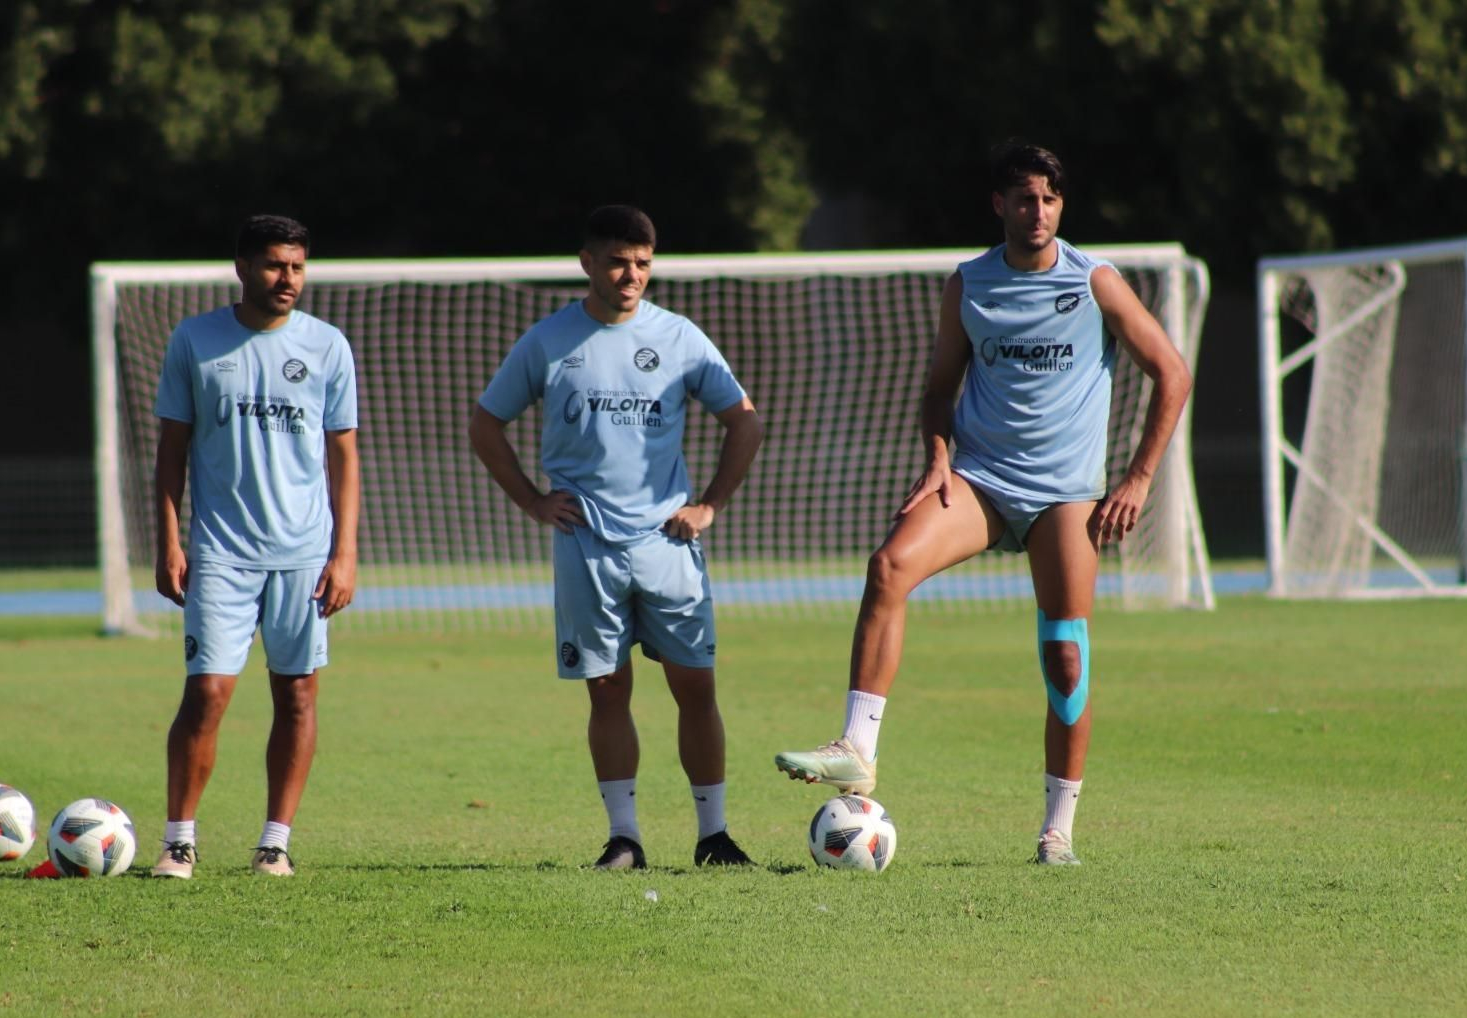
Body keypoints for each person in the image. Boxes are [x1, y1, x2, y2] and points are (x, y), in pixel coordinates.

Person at [775, 143, 1193, 865]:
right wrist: (938, 456)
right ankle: (857, 748)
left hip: (1066, 493)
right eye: (1025, 199)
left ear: (1062, 207)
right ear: (998, 204)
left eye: (1050, 200)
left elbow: (1171, 372)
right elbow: (940, 387)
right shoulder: (968, 283)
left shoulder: (1093, 280)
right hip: (981, 479)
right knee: (888, 567)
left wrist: (1138, 479)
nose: (1038, 213)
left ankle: (1057, 829)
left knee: (1066, 658)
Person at [469, 205, 765, 869]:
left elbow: (744, 422)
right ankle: (624, 838)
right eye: (616, 261)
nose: (630, 274)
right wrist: (532, 501)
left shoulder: (680, 336)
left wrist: (710, 504)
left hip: (668, 543)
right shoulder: (549, 340)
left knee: (696, 686)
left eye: (642, 263)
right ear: (587, 263)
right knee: (607, 690)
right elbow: (486, 425)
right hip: (586, 544)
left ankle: (714, 837)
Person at [150, 214, 360, 878]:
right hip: (219, 552)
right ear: (242, 268)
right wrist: (168, 542)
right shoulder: (195, 340)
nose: (286, 279)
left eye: (296, 267)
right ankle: (179, 839)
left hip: (303, 555)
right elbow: (170, 455)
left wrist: (345, 551)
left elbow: (345, 457)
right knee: (208, 691)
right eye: (273, 265)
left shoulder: (328, 346)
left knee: (297, 694)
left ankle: (275, 843)